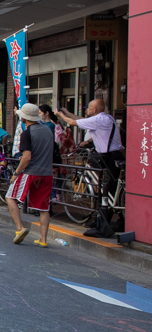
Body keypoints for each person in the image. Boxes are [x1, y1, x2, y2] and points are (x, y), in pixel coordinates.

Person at [56, 99, 124, 236]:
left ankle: (109, 222)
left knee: (106, 189)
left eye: (89, 108)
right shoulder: (106, 118)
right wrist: (69, 113)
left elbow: (72, 123)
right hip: (115, 155)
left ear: (94, 110)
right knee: (109, 189)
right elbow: (81, 120)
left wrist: (60, 115)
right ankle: (104, 220)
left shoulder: (98, 120)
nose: (86, 110)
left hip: (107, 158)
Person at [7, 103, 55, 247]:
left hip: (30, 172)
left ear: (23, 117)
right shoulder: (47, 130)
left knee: (10, 197)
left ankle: (20, 228)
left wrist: (16, 173)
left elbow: (27, 157)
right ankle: (43, 239)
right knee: (43, 207)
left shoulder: (26, 133)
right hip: (47, 173)